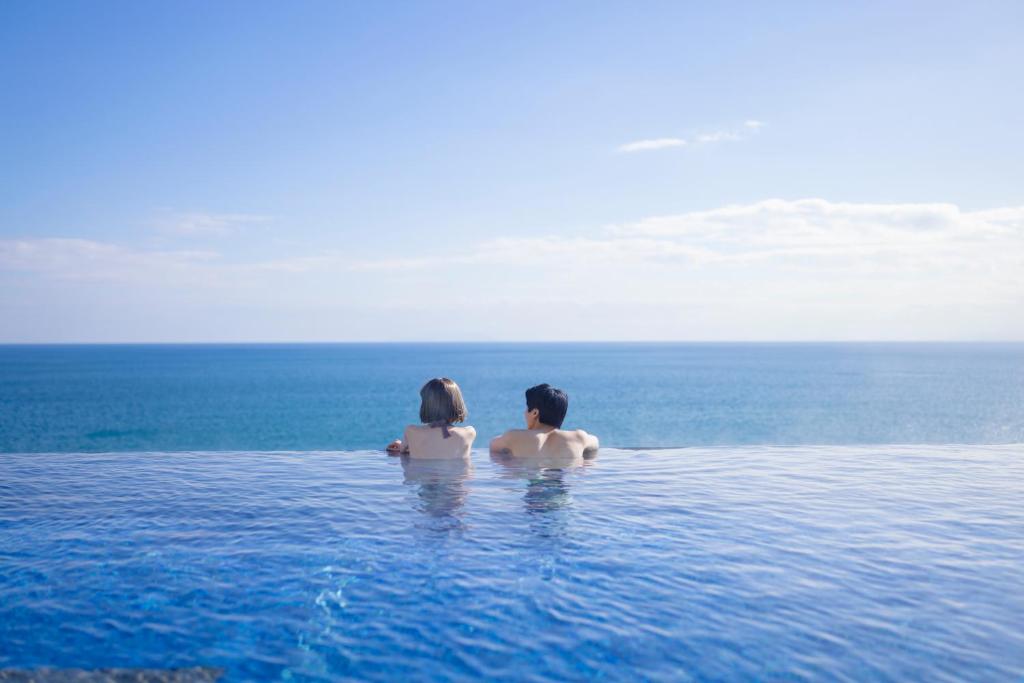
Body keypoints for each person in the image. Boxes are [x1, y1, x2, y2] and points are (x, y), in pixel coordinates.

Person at [489, 383, 599, 460]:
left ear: (534, 413)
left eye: (527, 408)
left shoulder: (513, 437)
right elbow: (595, 442)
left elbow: (493, 446)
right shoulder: (579, 438)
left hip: (534, 491)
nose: (524, 413)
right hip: (562, 491)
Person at [386, 377, 475, 458]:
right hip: (458, 476)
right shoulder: (469, 432)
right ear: (457, 404)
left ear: (425, 405)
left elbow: (402, 450)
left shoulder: (411, 431)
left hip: (422, 475)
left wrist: (400, 445)